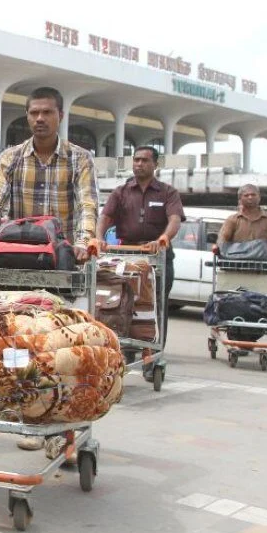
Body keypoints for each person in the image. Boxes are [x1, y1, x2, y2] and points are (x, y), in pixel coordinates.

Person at [0, 85, 98, 456]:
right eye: (33, 113)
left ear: (60, 116)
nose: (39, 119)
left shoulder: (79, 159)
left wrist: (84, 241)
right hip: (19, 265)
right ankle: (32, 415)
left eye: (47, 112)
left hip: (60, 266)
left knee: (59, 347)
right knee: (18, 343)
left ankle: (59, 426)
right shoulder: (12, 158)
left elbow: (87, 205)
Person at [97, 145, 184, 373]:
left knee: (156, 306)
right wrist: (99, 239)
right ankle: (126, 347)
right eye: (136, 160)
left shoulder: (167, 192)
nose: (139, 164)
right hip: (127, 257)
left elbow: (175, 219)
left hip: (158, 257)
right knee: (122, 302)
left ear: (156, 164)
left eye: (145, 160)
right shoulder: (121, 192)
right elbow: (105, 217)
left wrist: (163, 238)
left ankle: (153, 356)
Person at [216, 183, 267, 258]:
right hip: (236, 265)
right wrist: (221, 250)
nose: (250, 197)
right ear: (240, 199)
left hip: (264, 265)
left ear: (259, 197)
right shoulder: (232, 219)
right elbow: (222, 239)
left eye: (253, 195)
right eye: (246, 195)